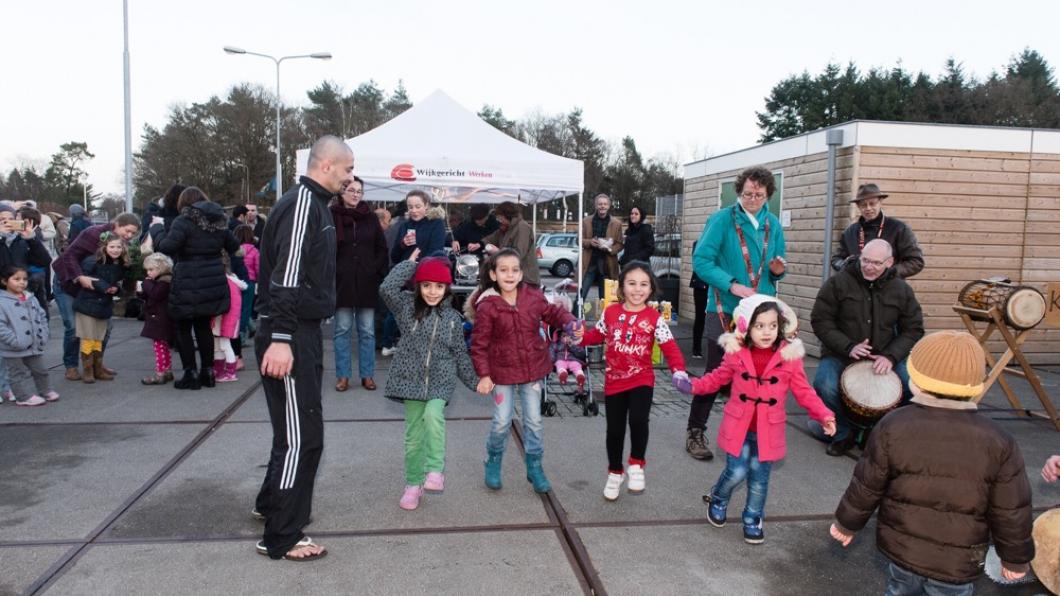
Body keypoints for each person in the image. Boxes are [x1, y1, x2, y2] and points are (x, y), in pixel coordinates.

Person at [830, 330, 1034, 593]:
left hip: (903, 550)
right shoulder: (999, 441)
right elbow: (1011, 509)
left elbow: (867, 484)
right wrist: (1015, 558)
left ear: (916, 381)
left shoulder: (894, 425)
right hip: (957, 563)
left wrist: (847, 524)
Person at [253, 135, 352, 562]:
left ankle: (271, 505)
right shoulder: (301, 206)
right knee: (301, 439)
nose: (351, 178)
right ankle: (282, 535)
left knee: (295, 432)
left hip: (301, 333)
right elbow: (286, 277)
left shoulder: (315, 206)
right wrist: (281, 338)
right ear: (327, 165)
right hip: (289, 334)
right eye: (348, 169)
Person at [674, 294, 836, 544]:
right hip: (738, 426)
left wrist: (824, 415)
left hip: (768, 430)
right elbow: (716, 379)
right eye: (759, 326)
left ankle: (752, 517)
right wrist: (692, 386)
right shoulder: (736, 353)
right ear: (746, 326)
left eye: (773, 325)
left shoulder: (789, 357)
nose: (767, 331)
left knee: (760, 480)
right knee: (737, 471)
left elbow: (805, 392)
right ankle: (718, 497)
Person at [686, 166, 787, 461]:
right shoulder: (721, 220)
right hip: (724, 309)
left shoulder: (773, 224)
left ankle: (749, 433)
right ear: (738, 192)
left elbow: (779, 264)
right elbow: (701, 262)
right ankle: (695, 431)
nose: (752, 199)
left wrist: (779, 271)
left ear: (768, 194)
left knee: (756, 374)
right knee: (716, 372)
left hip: (762, 314)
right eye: (747, 194)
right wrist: (732, 285)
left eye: (759, 194)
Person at [468, 249, 579, 494]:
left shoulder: (532, 296)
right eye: (504, 270)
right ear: (493, 274)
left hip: (532, 370)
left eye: (515, 270)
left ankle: (535, 465)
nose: (510, 274)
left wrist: (570, 322)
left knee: (534, 421)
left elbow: (553, 313)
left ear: (521, 272)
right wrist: (484, 375)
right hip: (502, 372)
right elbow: (479, 344)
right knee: (501, 421)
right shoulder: (488, 306)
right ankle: (493, 460)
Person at [381, 248, 480, 511]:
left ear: (447, 288)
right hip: (409, 381)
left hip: (440, 379)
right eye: (426, 285)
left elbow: (460, 354)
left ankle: (435, 471)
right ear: (418, 286)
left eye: (439, 286)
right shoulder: (406, 307)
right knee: (413, 437)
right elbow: (386, 289)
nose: (433, 291)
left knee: (433, 416)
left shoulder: (451, 319)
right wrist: (410, 265)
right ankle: (413, 484)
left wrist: (475, 381)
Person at [580, 261, 688, 501]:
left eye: (643, 284)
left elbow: (669, 346)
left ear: (651, 289)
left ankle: (637, 465)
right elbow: (597, 334)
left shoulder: (654, 318)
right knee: (615, 430)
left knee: (639, 420)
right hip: (614, 381)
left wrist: (679, 370)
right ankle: (615, 472)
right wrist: (580, 338)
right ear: (621, 287)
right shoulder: (610, 312)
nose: (637, 289)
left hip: (642, 379)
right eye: (631, 283)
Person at [811, 238, 924, 456]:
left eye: (876, 263)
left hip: (885, 356)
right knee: (824, 385)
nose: (869, 267)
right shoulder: (838, 283)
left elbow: (914, 329)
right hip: (841, 354)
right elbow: (820, 321)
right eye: (865, 260)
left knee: (912, 390)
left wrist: (891, 357)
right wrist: (848, 346)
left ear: (889, 262)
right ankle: (843, 433)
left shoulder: (901, 289)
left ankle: (879, 433)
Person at [150, 187, 241, 390]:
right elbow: (234, 246)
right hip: (213, 279)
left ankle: (190, 372)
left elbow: (166, 247)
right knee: (203, 326)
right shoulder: (219, 222)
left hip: (187, 277)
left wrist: (156, 229)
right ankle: (208, 372)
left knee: (183, 327)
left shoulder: (183, 222)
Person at [51, 212, 140, 381]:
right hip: (68, 282)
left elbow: (123, 270)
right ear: (117, 224)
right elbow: (69, 256)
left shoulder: (122, 245)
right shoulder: (93, 233)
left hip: (95, 289)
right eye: (127, 231)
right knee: (73, 327)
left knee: (105, 327)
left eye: (133, 234)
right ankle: (71, 366)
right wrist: (80, 277)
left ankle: (95, 364)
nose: (129, 236)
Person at [331, 176, 388, 392]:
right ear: (342, 192)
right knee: (342, 330)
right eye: (352, 190)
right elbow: (327, 247)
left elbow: (382, 248)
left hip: (366, 282)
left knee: (367, 331)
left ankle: (367, 375)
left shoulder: (371, 217)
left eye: (359, 191)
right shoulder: (332, 215)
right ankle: (343, 375)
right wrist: (335, 270)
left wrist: (372, 268)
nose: (356, 194)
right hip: (342, 282)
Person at [831, 183, 924, 279]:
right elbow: (836, 259)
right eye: (863, 205)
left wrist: (889, 272)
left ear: (880, 202)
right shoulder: (850, 232)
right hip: (856, 290)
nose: (868, 208)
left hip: (889, 288)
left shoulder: (899, 228)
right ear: (858, 206)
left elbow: (916, 261)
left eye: (872, 203)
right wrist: (846, 267)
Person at [73, 234, 128, 383]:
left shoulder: (119, 264)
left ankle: (98, 369)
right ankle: (88, 370)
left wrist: (116, 289)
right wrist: (106, 287)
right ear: (104, 247)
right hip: (87, 304)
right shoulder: (92, 261)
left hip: (103, 305)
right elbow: (88, 278)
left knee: (98, 338)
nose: (116, 250)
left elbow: (117, 283)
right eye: (112, 247)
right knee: (88, 338)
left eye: (118, 247)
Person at [0, 265, 57, 406]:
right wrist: (14, 340)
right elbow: (1, 327)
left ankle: (45, 390)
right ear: (4, 281)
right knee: (16, 373)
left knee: (41, 370)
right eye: (16, 279)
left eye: (24, 279)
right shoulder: (2, 301)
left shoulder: (31, 298)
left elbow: (41, 315)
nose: (22, 282)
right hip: (13, 347)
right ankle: (22, 397)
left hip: (34, 344)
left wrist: (43, 333)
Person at [482, 201, 540, 287]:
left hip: (525, 280)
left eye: (499, 217)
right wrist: (479, 244)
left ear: (507, 215)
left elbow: (518, 254)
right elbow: (490, 239)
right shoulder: (505, 228)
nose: (498, 220)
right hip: (513, 278)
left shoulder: (522, 228)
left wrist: (498, 252)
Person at [138, 253, 175, 385]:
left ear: (161, 268)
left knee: (159, 346)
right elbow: (151, 295)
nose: (148, 272)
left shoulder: (164, 282)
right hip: (160, 317)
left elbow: (156, 294)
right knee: (163, 346)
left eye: (151, 269)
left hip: (160, 318)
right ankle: (167, 371)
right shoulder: (161, 281)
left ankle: (160, 373)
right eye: (147, 270)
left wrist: (146, 283)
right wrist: (142, 292)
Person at [580, 193, 623, 300]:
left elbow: (620, 244)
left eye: (605, 204)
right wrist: (590, 242)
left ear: (608, 206)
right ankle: (575, 315)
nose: (602, 206)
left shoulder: (616, 223)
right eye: (600, 204)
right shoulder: (586, 221)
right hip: (589, 263)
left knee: (605, 298)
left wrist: (609, 249)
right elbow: (578, 240)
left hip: (607, 264)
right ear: (596, 206)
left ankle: (603, 317)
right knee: (581, 294)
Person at [212, 257, 246, 383]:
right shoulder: (231, 280)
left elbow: (231, 305)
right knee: (219, 346)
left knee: (224, 345)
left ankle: (230, 372)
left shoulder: (226, 282)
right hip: (222, 318)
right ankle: (219, 371)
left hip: (225, 318)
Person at [390, 190, 446, 263]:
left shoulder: (436, 223)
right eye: (410, 207)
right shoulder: (404, 226)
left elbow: (436, 252)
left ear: (426, 205)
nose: (414, 210)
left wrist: (417, 262)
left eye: (418, 207)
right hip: (406, 271)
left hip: (425, 271)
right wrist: (402, 244)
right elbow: (394, 257)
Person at [233, 224, 259, 362]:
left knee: (236, 309)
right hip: (249, 282)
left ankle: (242, 331)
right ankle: (242, 334)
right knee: (246, 310)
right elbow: (258, 267)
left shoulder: (233, 250)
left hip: (235, 281)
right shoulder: (254, 251)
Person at [689, 242, 709, 359]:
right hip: (701, 285)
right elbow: (699, 263)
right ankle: (696, 349)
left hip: (716, 285)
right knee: (700, 317)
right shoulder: (699, 244)